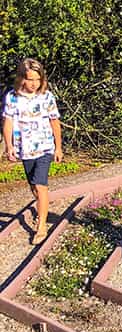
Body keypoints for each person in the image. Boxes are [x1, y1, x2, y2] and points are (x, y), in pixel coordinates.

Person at [2, 58, 63, 244]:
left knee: (40, 184)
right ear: (22, 78)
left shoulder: (46, 97)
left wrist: (59, 147)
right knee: (33, 185)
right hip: (24, 148)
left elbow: (55, 122)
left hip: (45, 147)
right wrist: (9, 145)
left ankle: (41, 226)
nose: (33, 83)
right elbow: (8, 122)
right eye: (30, 79)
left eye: (37, 79)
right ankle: (43, 206)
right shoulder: (12, 97)